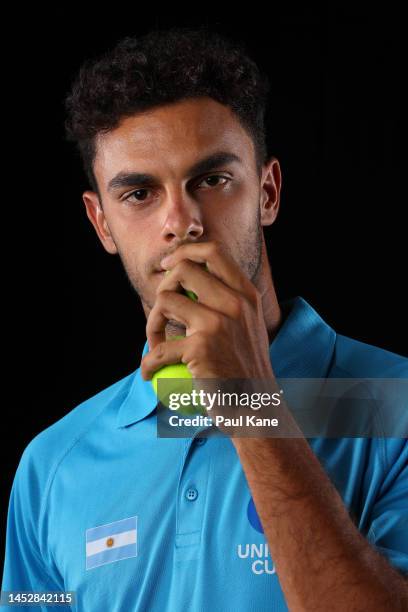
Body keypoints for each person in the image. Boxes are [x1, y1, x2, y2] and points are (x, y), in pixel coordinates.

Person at [2, 25, 407, 612]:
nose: (182, 221)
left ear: (267, 192)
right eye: (139, 194)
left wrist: (249, 402)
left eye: (212, 180)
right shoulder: (50, 465)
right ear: (101, 224)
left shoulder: (394, 406)